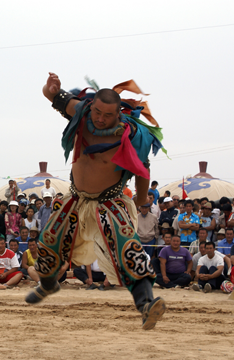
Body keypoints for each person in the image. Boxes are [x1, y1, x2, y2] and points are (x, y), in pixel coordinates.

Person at [26, 73, 166, 330]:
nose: (100, 118)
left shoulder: (132, 135)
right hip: (76, 198)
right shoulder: (81, 113)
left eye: (107, 115)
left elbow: (142, 169)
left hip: (109, 202)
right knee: (49, 243)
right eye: (98, 112)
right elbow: (53, 97)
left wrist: (141, 198)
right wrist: (51, 88)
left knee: (129, 249)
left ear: (118, 114)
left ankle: (146, 305)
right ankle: (47, 285)